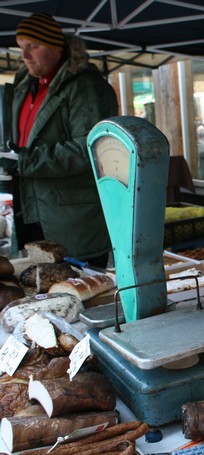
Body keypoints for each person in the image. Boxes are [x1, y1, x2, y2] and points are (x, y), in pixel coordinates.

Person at [1, 12, 116, 267]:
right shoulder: (25, 85)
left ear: (56, 46)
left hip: (73, 219)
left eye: (33, 46)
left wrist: (25, 161)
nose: (25, 55)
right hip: (32, 211)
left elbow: (90, 148)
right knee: (41, 297)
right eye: (21, 47)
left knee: (78, 297)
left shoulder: (84, 86)